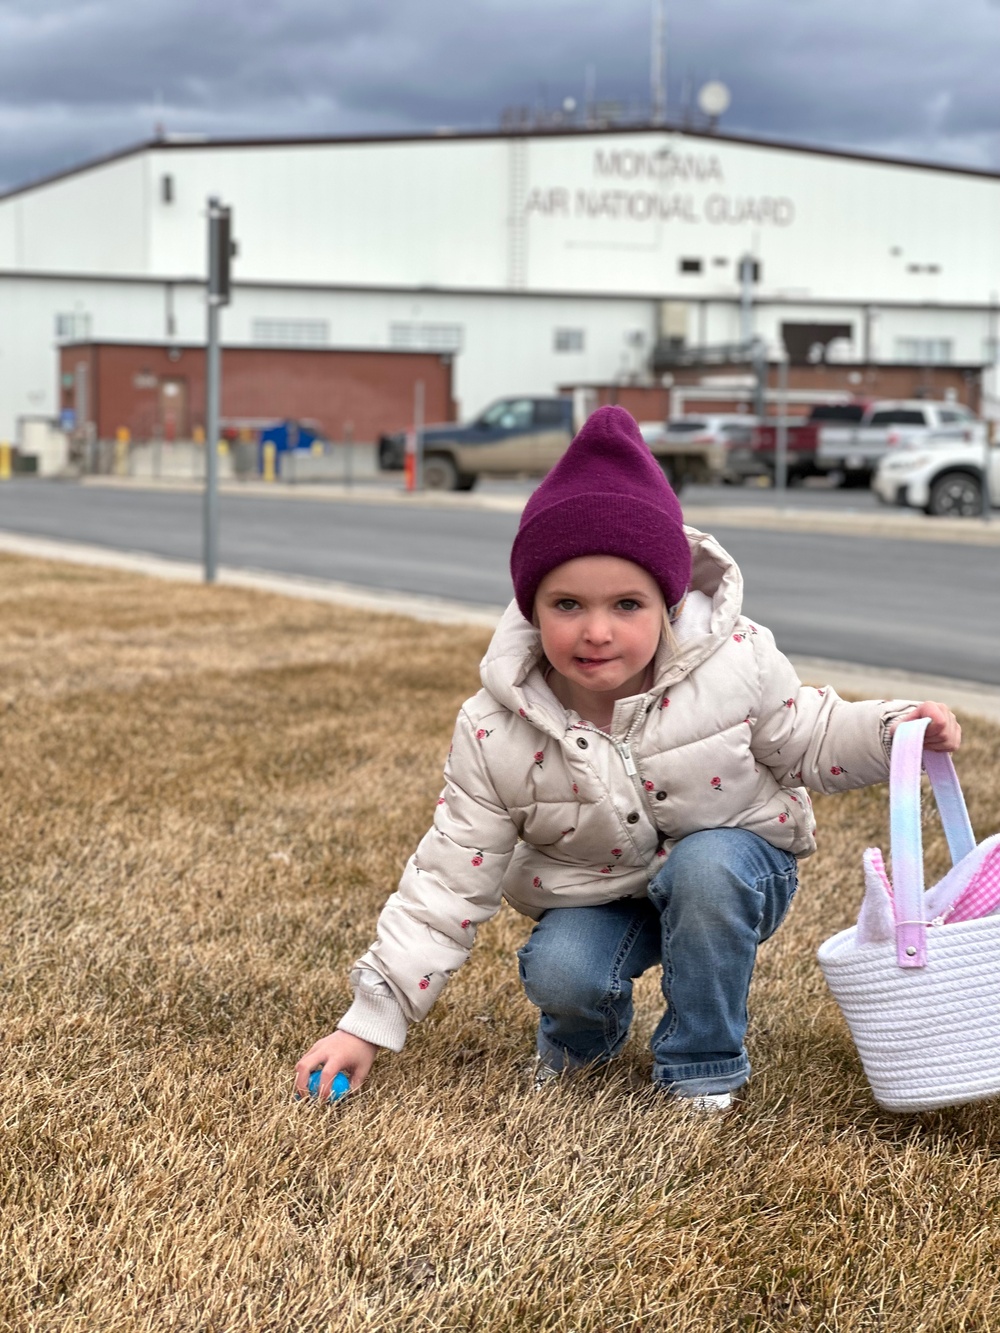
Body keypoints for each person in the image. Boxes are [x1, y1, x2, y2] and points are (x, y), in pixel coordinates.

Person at [295, 406, 961, 1113]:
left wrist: (894, 732)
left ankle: (702, 1065)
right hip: (600, 889)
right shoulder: (496, 729)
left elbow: (813, 734)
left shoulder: (735, 666)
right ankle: (581, 1046)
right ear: (531, 607)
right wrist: (367, 1022)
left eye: (627, 604)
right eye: (567, 603)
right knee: (562, 968)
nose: (597, 630)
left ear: (669, 605)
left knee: (706, 872)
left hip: (733, 871)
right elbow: (447, 882)